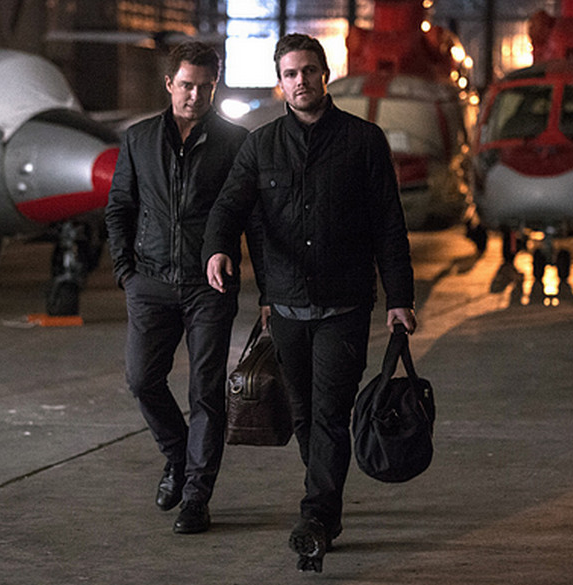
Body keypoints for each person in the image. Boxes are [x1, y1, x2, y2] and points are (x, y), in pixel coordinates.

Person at [202, 33, 417, 572]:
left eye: (308, 71)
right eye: (290, 74)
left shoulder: (363, 141)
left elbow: (389, 225)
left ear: (325, 75)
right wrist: (218, 249)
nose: (300, 81)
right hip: (286, 309)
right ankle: (325, 500)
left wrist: (399, 297)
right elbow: (229, 207)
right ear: (281, 83)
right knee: (303, 415)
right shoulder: (261, 145)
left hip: (344, 306)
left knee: (329, 414)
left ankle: (317, 516)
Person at [105, 41, 248, 535]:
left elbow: (250, 215)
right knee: (142, 379)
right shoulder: (139, 138)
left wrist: (266, 289)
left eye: (205, 87)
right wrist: (125, 272)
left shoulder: (235, 142)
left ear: (215, 86)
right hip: (149, 281)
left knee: (205, 392)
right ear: (169, 84)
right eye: (186, 85)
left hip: (210, 286)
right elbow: (120, 206)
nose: (195, 95)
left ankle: (195, 497)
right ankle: (179, 456)